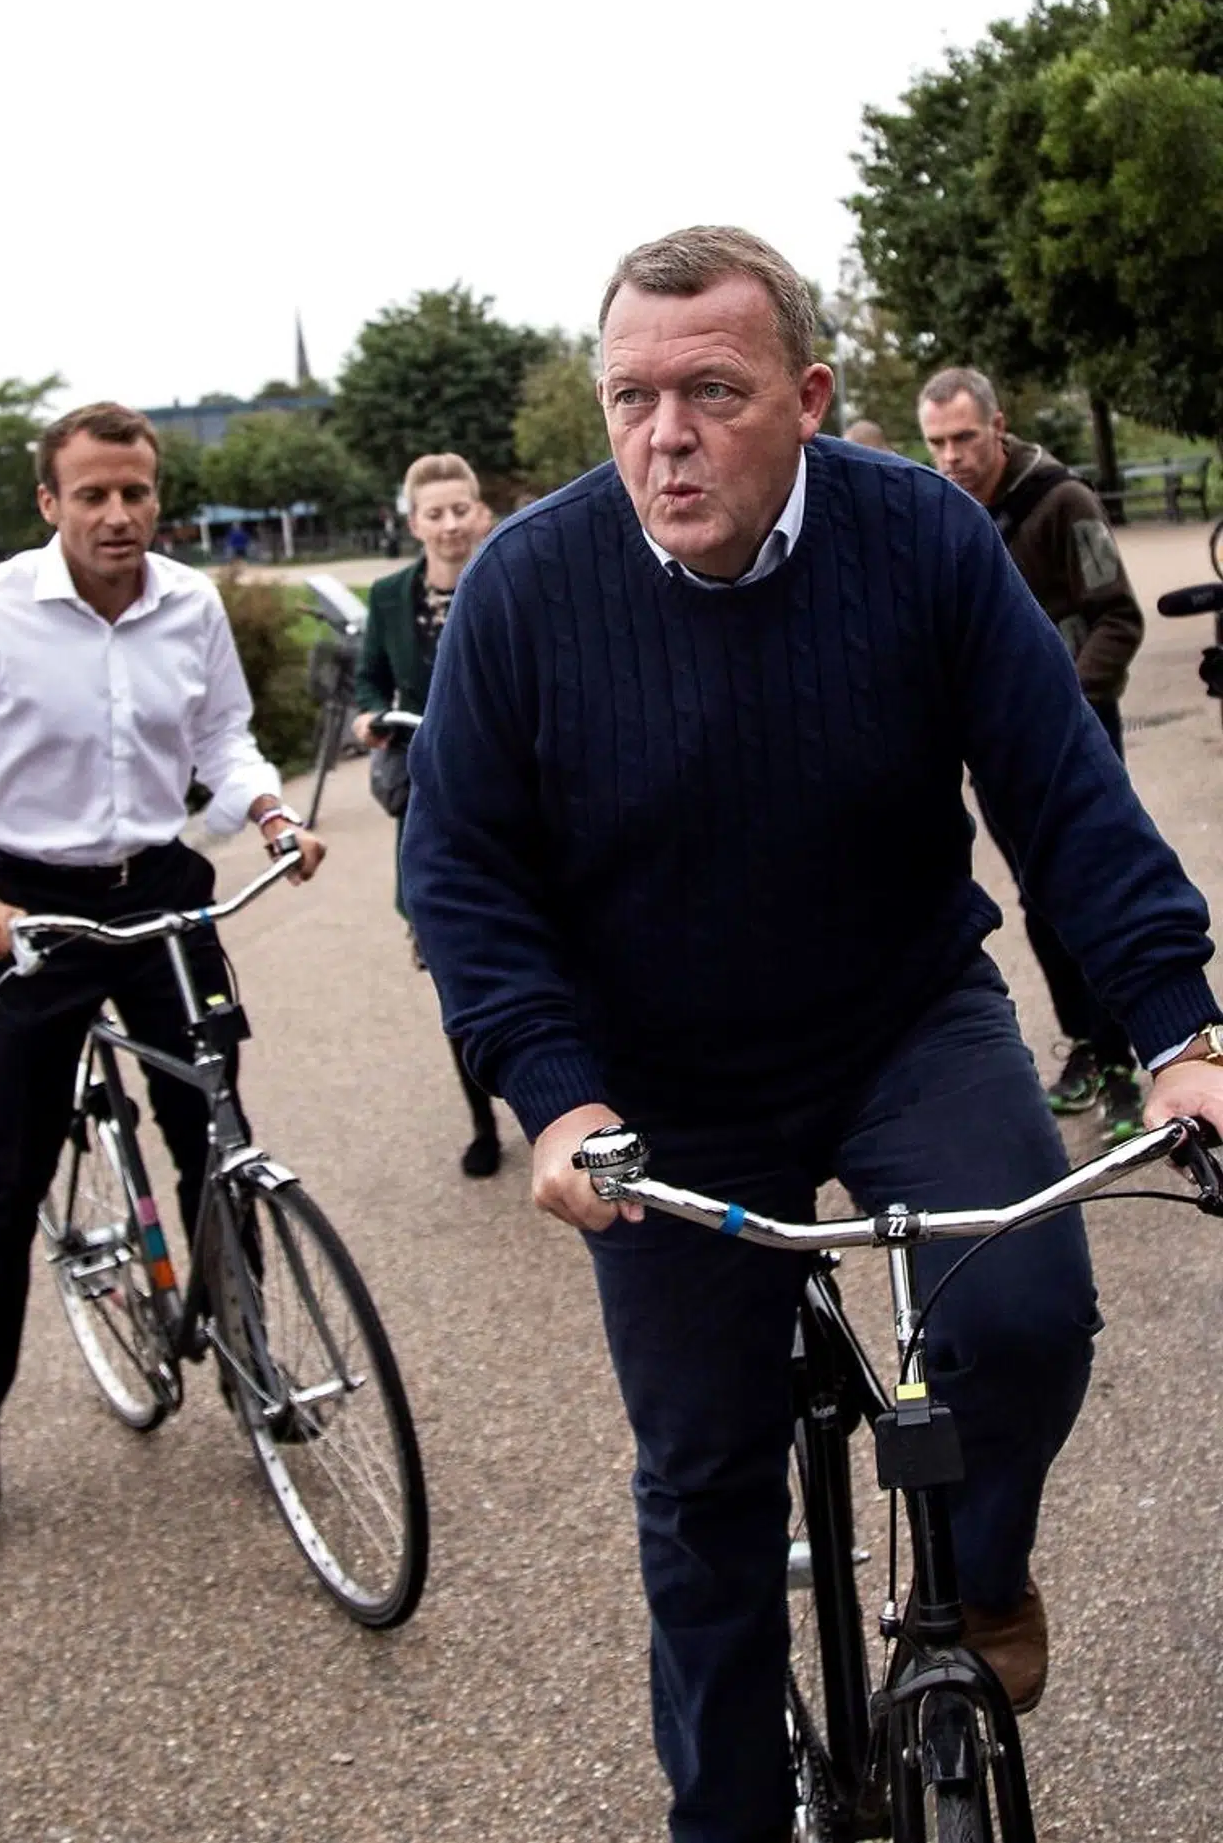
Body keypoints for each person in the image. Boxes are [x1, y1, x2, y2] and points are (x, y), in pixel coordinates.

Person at [400, 226, 1223, 1843]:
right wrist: (556, 1103)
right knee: (703, 1483)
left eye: (713, 389)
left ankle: (981, 1567)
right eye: (632, 395)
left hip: (901, 1013)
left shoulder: (918, 533)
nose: (666, 434)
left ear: (810, 395)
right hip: (659, 1086)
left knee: (1031, 1316)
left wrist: (1183, 1028)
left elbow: (1061, 793)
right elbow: (463, 876)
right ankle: (721, 1819)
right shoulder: (525, 588)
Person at [0, 401, 325, 1536]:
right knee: (9, 1173)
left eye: (135, 493)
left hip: (162, 888)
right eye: (93, 495)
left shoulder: (190, 606)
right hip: (28, 904)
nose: (118, 514)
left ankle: (250, 1360)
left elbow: (223, 738)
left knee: (217, 1134)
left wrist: (271, 815)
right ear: (51, 503)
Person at [917, 369, 1147, 1143]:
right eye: (937, 442)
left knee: (1094, 887)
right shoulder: (942, 516)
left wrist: (1060, 705)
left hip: (1073, 734)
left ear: (998, 426)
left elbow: (1116, 616)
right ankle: (1087, 1041)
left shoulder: (1062, 501)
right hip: (994, 751)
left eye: (964, 438)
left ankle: (1124, 1059)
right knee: (1038, 902)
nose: (951, 456)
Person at [352, 453, 502, 1177]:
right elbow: (369, 679)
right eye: (434, 513)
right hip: (429, 802)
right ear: (413, 522)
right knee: (455, 962)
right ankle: (482, 1120)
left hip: (515, 795)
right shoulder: (387, 599)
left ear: (478, 511)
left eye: (460, 509)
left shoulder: (508, 573)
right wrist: (367, 719)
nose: (449, 525)